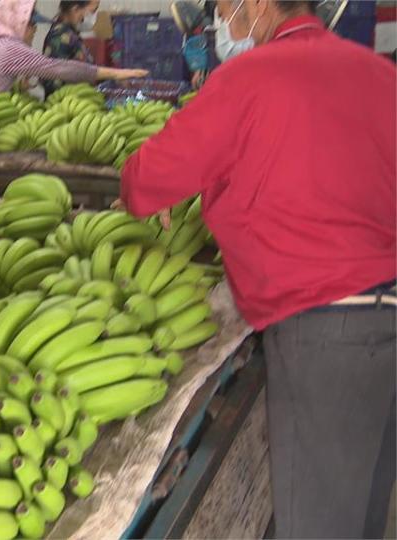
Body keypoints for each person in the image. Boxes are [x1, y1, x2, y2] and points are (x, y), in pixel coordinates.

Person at [118, 1, 396, 537]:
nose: (222, 20)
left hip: (325, 330)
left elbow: (143, 180)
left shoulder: (249, 76)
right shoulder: (380, 74)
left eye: (225, 7)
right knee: (365, 508)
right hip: (386, 313)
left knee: (320, 521)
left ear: (261, 4)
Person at [0, 0, 147, 121]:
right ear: (19, 25)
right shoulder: (9, 47)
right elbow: (59, 68)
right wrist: (115, 73)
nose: (34, 32)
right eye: (31, 26)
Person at [42, 0, 101, 96]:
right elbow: (54, 82)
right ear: (75, 9)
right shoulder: (60, 36)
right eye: (93, 11)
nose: (94, 17)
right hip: (64, 103)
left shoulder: (71, 34)